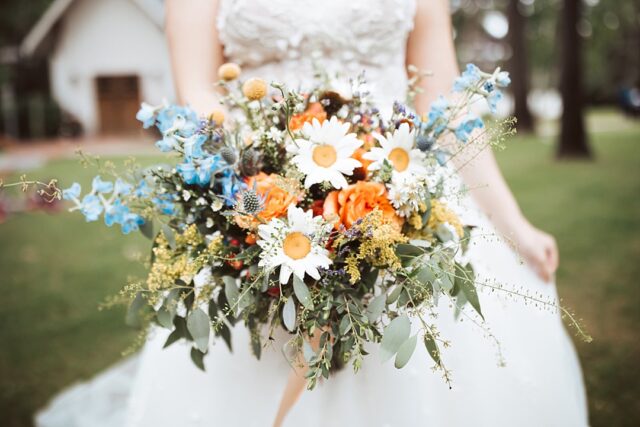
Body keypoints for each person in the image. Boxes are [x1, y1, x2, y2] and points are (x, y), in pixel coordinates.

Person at [36, 1, 589, 426]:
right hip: (257, 199)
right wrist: (269, 177)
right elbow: (198, 88)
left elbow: (444, 113)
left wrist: (513, 223)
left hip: (400, 199)